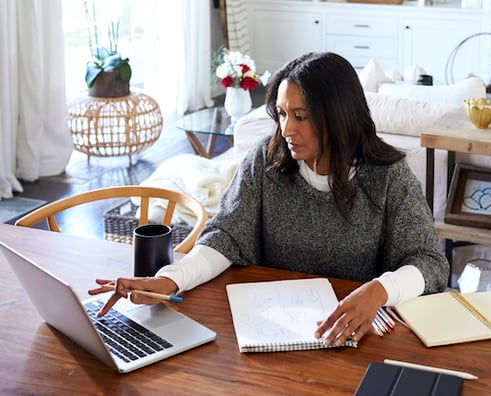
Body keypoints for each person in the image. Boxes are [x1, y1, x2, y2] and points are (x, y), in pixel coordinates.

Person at [89, 52, 449, 347]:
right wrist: (171, 279)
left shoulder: (387, 175)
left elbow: (430, 263)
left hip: (354, 338)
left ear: (339, 117)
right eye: (281, 114)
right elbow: (227, 236)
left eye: (300, 116)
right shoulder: (268, 158)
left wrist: (379, 290)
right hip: (269, 335)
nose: (287, 128)